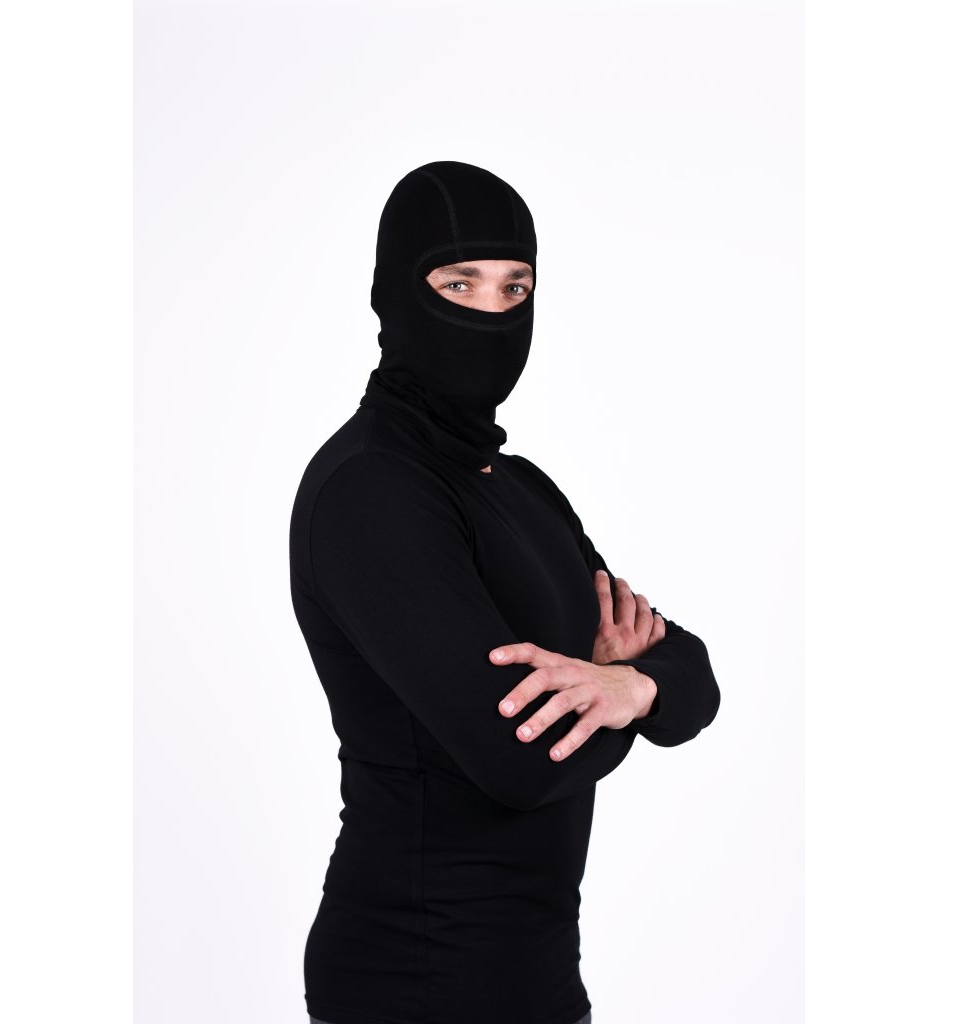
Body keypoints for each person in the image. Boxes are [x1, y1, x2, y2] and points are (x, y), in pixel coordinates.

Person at [288, 160, 720, 1024]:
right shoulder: (371, 490)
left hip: (538, 976)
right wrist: (630, 689)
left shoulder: (521, 489)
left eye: (514, 287)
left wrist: (630, 687)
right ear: (391, 293)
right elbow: (519, 759)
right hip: (412, 979)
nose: (490, 313)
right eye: (459, 283)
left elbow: (693, 675)